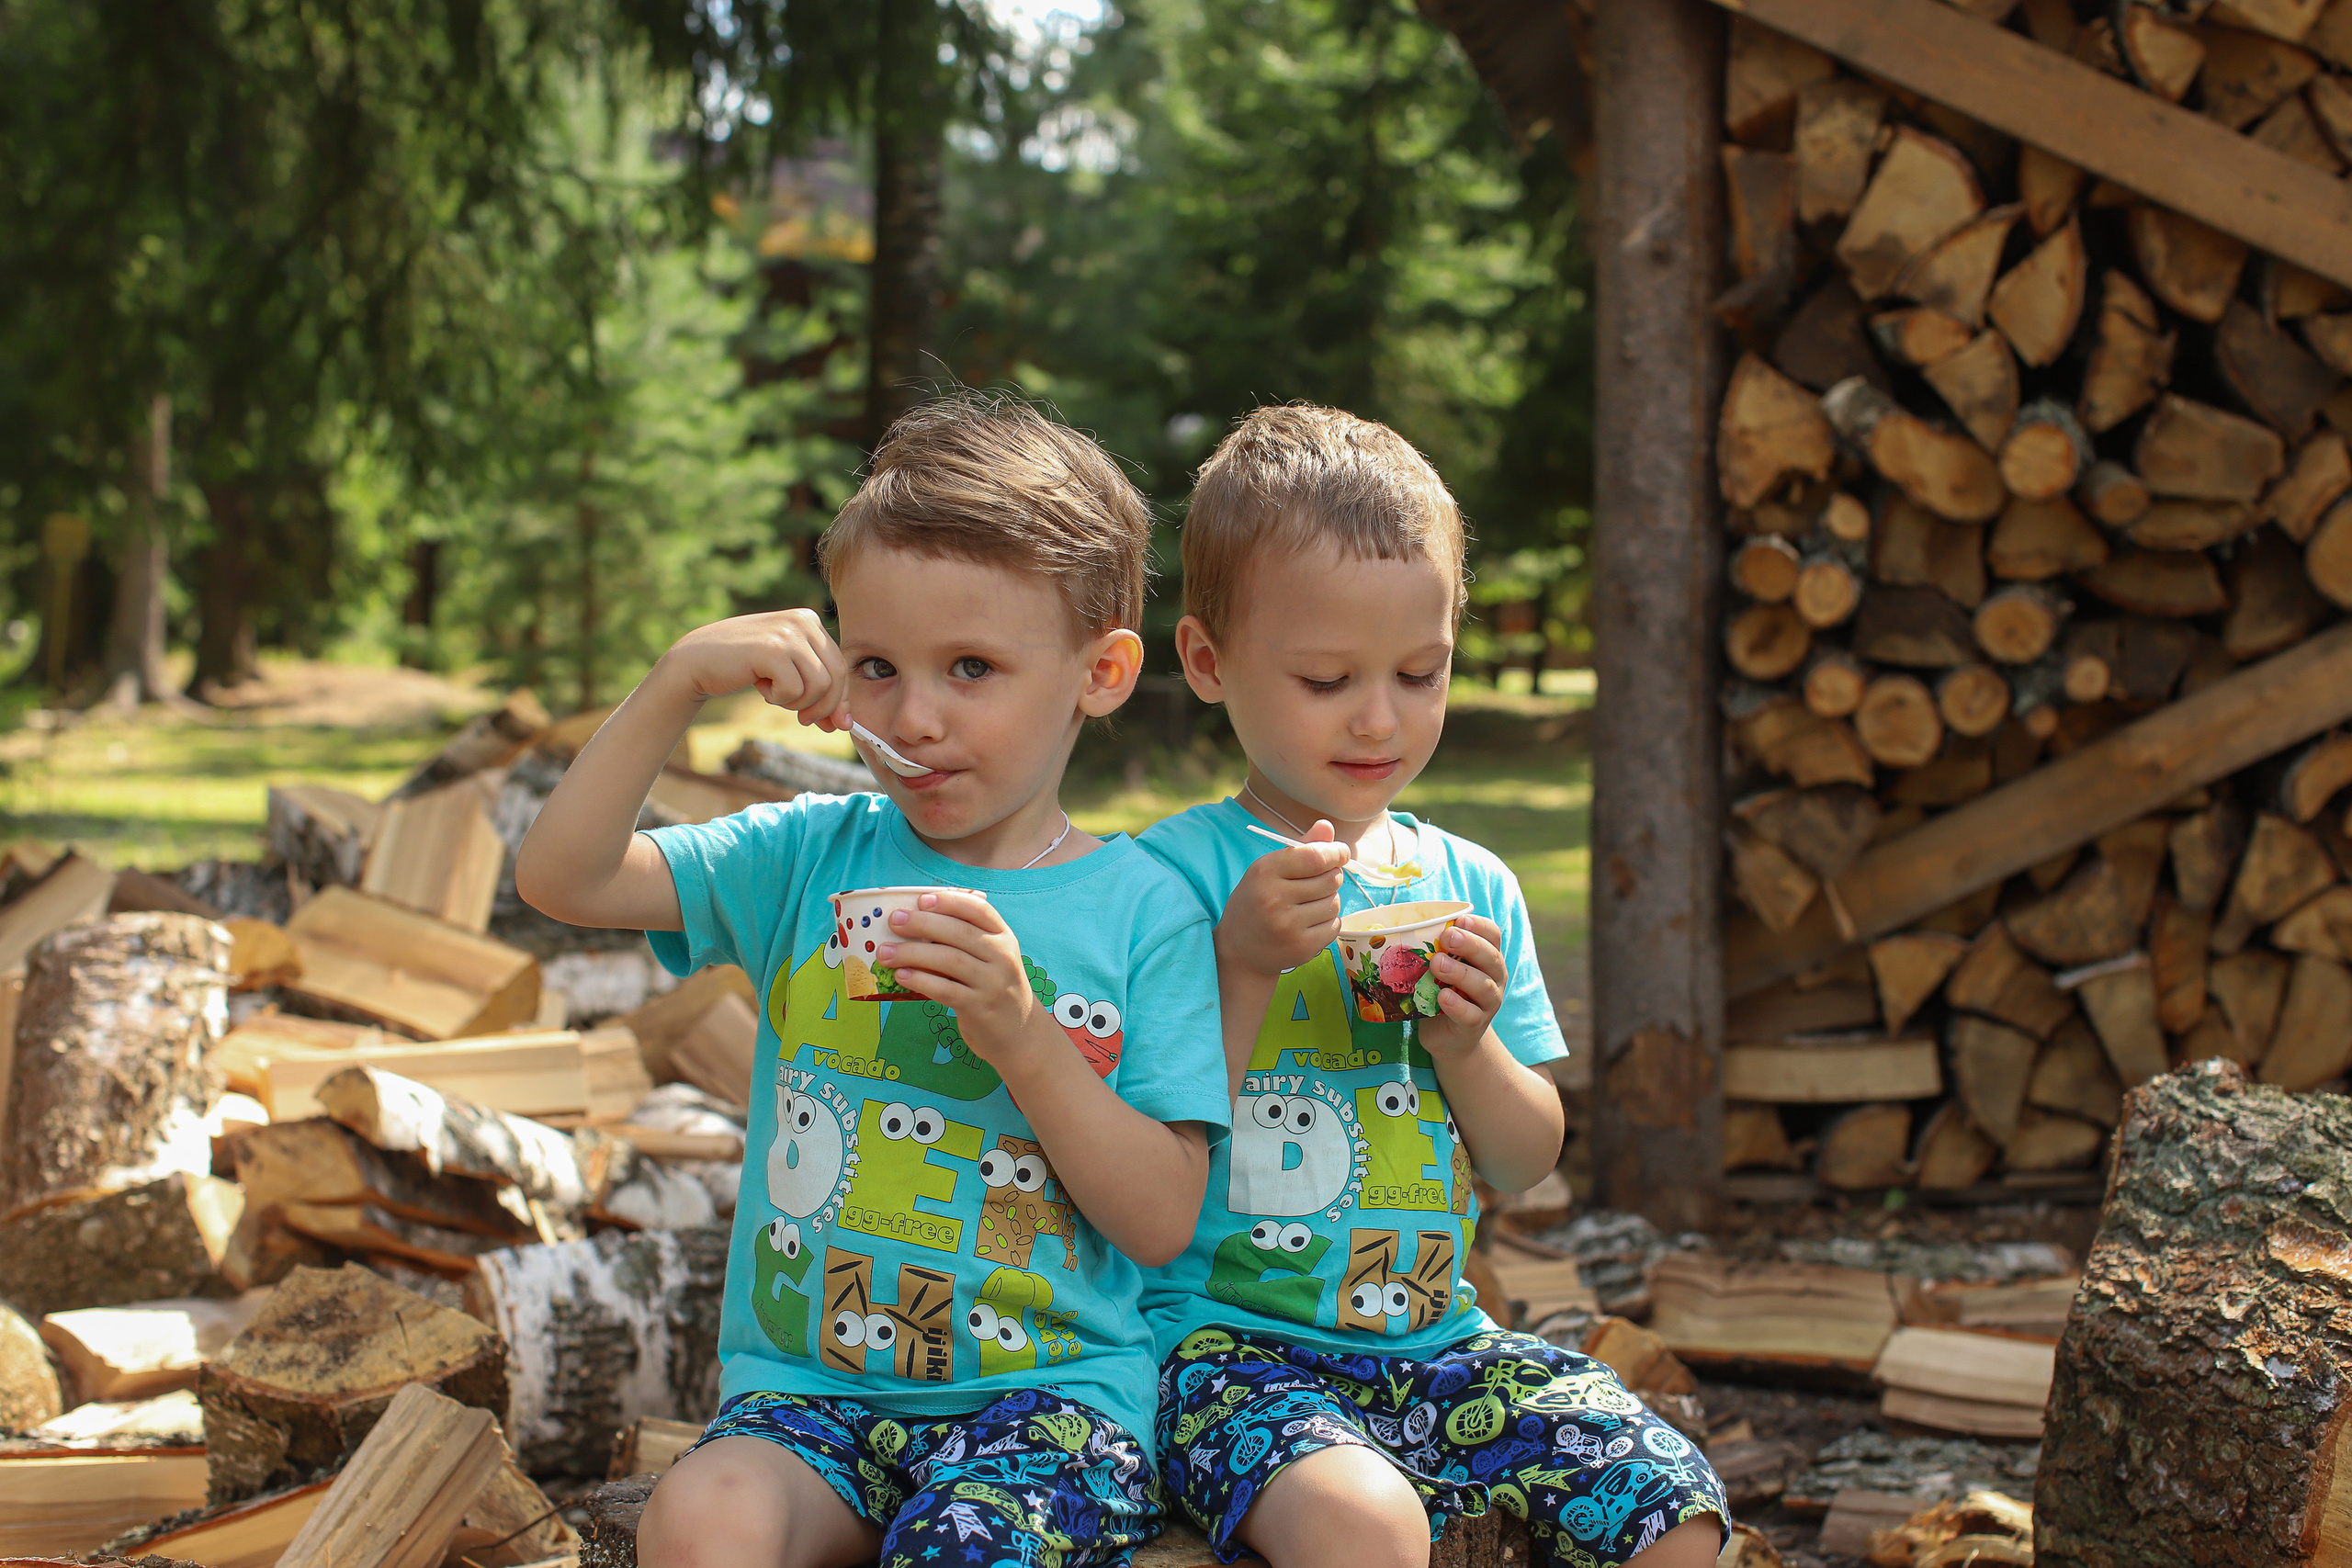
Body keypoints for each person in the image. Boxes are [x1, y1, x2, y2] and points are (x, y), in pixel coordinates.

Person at [516, 393, 1229, 1568]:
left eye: (971, 667)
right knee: (696, 1520)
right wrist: (677, 681)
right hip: (810, 1398)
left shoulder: (1146, 909)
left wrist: (1023, 1037)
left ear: (1100, 673)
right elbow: (565, 877)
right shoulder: (807, 856)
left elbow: (1159, 1221)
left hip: (1046, 1411)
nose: (914, 715)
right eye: (877, 666)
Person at [1137, 406, 1726, 1568]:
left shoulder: (1470, 884)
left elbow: (1522, 1160)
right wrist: (1240, 965)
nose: (1380, 717)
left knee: (1674, 1507)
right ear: (1206, 662)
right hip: (1218, 1355)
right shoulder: (1166, 882)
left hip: (1437, 1345)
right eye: (1326, 679)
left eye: (1421, 672)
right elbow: (1129, 1151)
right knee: (1364, 1527)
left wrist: (1467, 1045)